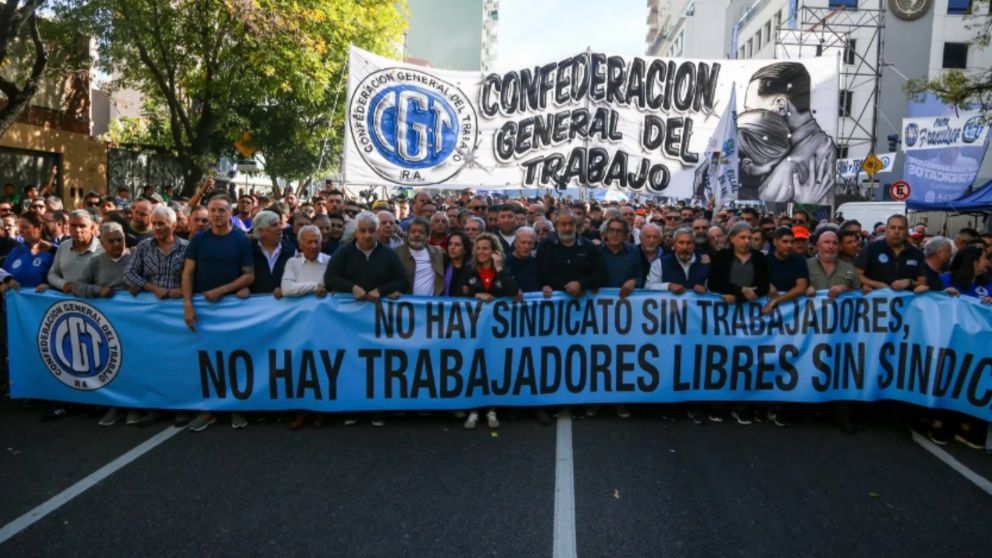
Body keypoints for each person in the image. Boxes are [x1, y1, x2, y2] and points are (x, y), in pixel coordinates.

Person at [323, 211, 407, 428]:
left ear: (378, 232)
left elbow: (402, 279)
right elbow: (330, 278)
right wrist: (352, 287)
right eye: (363, 231)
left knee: (378, 365)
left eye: (372, 231)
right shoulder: (344, 252)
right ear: (355, 232)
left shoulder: (388, 254)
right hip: (349, 321)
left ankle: (377, 410)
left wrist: (383, 289)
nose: (367, 235)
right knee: (351, 363)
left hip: (379, 321)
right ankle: (352, 408)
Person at [182, 194, 255, 432]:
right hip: (203, 308)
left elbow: (249, 275)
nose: (216, 215)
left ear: (230, 212)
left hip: (232, 309)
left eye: (222, 210)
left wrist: (223, 291)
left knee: (232, 358)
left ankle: (235, 407)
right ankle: (208, 410)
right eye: (213, 210)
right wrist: (188, 305)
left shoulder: (241, 240)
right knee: (206, 360)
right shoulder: (198, 240)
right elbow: (188, 273)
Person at [455, 233, 518, 430]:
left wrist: (499, 269)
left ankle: (491, 409)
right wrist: (476, 294)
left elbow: (513, 292)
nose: (482, 252)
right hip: (474, 330)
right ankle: (473, 410)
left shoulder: (503, 269)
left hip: (497, 332)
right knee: (474, 365)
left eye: (486, 249)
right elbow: (459, 292)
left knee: (493, 366)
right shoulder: (469, 270)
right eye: (479, 248)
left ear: (495, 251)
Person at [931, 244, 992, 448]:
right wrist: (941, 294)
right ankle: (939, 421)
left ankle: (967, 424)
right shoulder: (947, 280)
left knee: (971, 380)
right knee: (947, 378)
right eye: (985, 259)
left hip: (978, 347)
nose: (988, 263)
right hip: (950, 343)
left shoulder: (988, 283)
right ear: (974, 262)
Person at [281, 225, 331, 430]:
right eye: (308, 242)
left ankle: (321, 411)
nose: (313, 246)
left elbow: (332, 287)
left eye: (316, 241)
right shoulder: (292, 262)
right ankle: (301, 410)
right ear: (300, 244)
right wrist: (314, 287)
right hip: (298, 324)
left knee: (322, 366)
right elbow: (286, 289)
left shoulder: (329, 261)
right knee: (300, 367)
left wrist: (307, 289)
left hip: (324, 324)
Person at [537, 209, 605, 299]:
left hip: (584, 301)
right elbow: (541, 273)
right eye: (563, 224)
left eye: (571, 224)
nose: (567, 228)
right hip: (555, 300)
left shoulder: (589, 247)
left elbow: (599, 274)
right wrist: (565, 287)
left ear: (576, 225)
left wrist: (580, 284)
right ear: (557, 226)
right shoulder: (545, 246)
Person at [855, 215, 927, 294]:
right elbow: (856, 275)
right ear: (886, 230)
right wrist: (877, 285)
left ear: (907, 231)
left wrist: (909, 282)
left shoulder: (917, 253)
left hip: (906, 303)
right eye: (892, 228)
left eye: (901, 228)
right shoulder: (871, 248)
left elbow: (922, 282)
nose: (896, 232)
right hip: (877, 301)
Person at [41, 210, 102, 295]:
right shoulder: (63, 246)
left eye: (82, 226)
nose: (77, 230)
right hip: (66, 303)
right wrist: (63, 285)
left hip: (94, 304)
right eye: (73, 225)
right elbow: (52, 273)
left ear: (92, 228)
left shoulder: (102, 249)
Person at [764, 227, 810, 316]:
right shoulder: (764, 260)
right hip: (767, 311)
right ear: (775, 242)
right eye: (785, 241)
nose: (789, 245)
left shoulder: (799, 261)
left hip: (792, 313)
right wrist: (766, 284)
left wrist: (777, 300)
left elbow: (801, 288)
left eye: (792, 242)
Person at [395, 217, 444, 296]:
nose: (417, 235)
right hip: (405, 303)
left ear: (427, 236)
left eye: (421, 232)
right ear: (407, 234)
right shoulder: (396, 253)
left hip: (431, 305)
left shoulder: (437, 253)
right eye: (413, 232)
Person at [250, 210, 293, 297]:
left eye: (280, 224)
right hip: (255, 305)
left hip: (284, 303)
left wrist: (285, 288)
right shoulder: (248, 249)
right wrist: (243, 288)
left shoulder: (291, 250)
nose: (280, 228)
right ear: (261, 231)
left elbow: (297, 277)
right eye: (274, 225)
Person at [506, 226, 540, 294]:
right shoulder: (505, 262)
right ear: (515, 243)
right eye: (523, 242)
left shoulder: (538, 262)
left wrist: (546, 287)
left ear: (534, 245)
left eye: (530, 243)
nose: (526, 246)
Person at [443, 231, 472, 297]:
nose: (452, 247)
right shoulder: (443, 264)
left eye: (457, 245)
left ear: (465, 249)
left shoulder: (472, 269)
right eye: (450, 244)